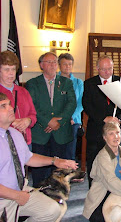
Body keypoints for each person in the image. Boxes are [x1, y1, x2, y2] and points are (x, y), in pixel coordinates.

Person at [0, 92, 78, 222]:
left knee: (52, 210)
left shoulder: (15, 134)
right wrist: (16, 195)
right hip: (4, 198)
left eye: (9, 104)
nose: (10, 108)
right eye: (3, 106)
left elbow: (29, 158)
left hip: (21, 191)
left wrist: (55, 161)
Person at [25, 52, 76, 187]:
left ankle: (57, 201)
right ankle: (40, 201)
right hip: (40, 134)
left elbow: (72, 103)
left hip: (61, 133)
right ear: (41, 65)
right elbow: (32, 105)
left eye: (55, 62)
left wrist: (58, 121)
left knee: (59, 172)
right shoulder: (32, 84)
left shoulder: (66, 82)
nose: (53, 65)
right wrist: (48, 121)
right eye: (49, 62)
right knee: (39, 173)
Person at [82, 55, 121, 187]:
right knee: (95, 162)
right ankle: (95, 190)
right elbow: (87, 106)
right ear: (97, 69)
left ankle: (116, 190)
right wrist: (104, 118)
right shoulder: (89, 84)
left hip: (116, 131)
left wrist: (118, 120)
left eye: (110, 69)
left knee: (116, 162)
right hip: (97, 130)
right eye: (103, 69)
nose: (107, 72)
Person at [83, 122, 121, 221]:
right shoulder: (103, 156)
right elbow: (111, 182)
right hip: (105, 193)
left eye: (118, 132)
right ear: (104, 137)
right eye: (111, 134)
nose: (116, 136)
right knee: (104, 217)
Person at [0, 51, 37, 150]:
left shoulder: (23, 91)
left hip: (25, 142)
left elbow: (33, 114)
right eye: (6, 69)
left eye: (13, 69)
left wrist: (28, 121)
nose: (11, 73)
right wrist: (12, 123)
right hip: (4, 143)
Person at [58, 53, 84, 161]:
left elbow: (81, 102)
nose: (67, 66)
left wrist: (71, 116)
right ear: (59, 65)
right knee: (57, 150)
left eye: (70, 64)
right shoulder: (54, 81)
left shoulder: (78, 82)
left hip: (74, 120)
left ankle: (70, 173)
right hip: (58, 119)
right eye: (65, 64)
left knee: (70, 150)